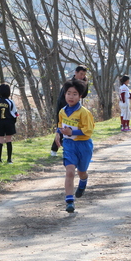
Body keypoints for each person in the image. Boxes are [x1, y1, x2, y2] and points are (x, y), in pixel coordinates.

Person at [53, 80, 95, 213]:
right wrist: (58, 133)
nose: (71, 97)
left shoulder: (84, 113)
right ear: (64, 95)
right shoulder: (62, 111)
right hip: (69, 145)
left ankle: (83, 181)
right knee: (70, 171)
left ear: (80, 96)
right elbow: (61, 125)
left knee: (81, 172)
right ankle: (69, 201)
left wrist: (73, 132)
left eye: (75, 94)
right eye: (68, 93)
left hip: (84, 145)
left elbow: (88, 131)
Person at [50, 65, 89, 156]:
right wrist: (67, 110)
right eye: (81, 74)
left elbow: (84, 95)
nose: (82, 76)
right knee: (63, 129)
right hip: (64, 109)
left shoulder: (82, 83)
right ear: (75, 73)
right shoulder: (70, 84)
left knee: (72, 130)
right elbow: (62, 99)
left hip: (76, 110)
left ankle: (62, 150)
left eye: (84, 75)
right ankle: (55, 150)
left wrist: (86, 83)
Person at [0, 83, 19, 164]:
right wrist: (13, 122)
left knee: (0, 140)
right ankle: (9, 159)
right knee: (8, 139)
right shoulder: (10, 102)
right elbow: (15, 114)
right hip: (9, 122)